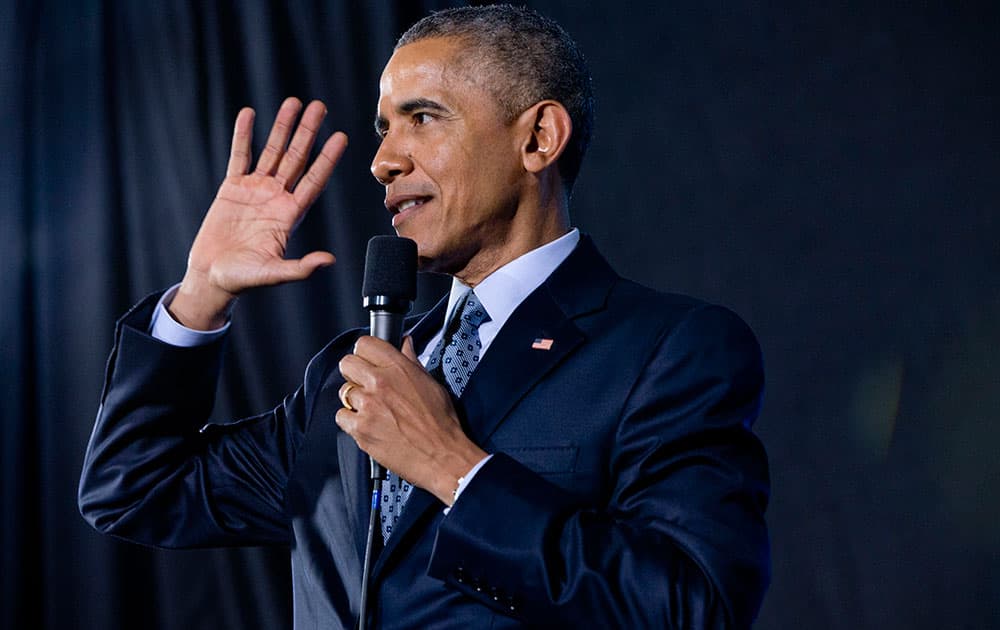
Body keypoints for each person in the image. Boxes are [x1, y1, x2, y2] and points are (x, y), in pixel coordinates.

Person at [79, 5, 770, 629]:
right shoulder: (355, 373)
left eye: (423, 118)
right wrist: (201, 292)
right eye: (384, 129)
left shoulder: (669, 350)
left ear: (538, 138)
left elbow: (692, 607)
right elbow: (133, 488)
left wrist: (453, 468)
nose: (383, 160)